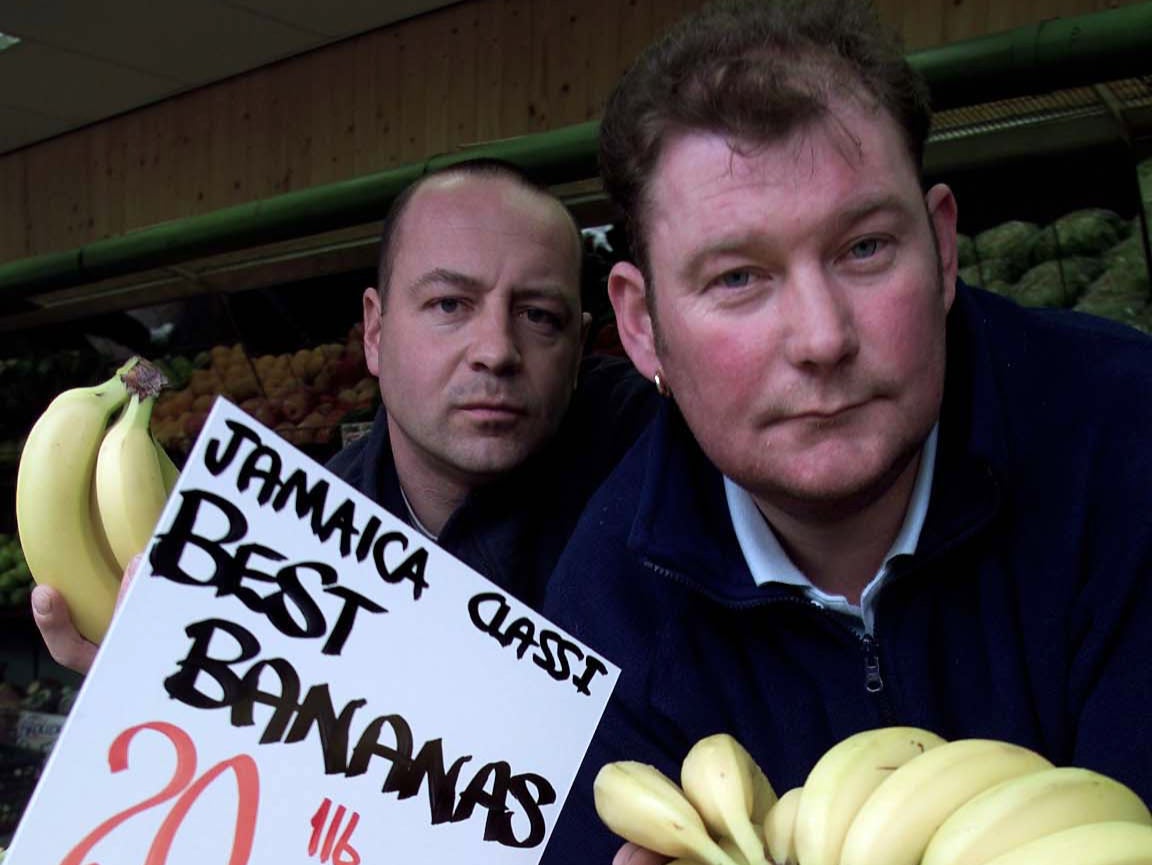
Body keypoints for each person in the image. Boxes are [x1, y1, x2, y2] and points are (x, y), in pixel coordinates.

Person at [538, 1, 1152, 863]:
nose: (823, 338)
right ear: (641, 327)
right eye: (740, 277)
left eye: (864, 248)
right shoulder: (607, 605)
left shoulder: (1128, 441)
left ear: (942, 250)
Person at [31, 159, 656, 672]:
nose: (495, 350)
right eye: (448, 304)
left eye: (538, 316)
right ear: (375, 332)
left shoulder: (664, 460)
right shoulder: (290, 549)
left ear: (578, 347)